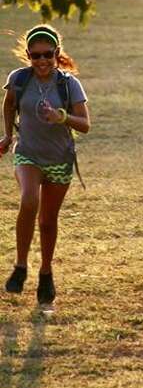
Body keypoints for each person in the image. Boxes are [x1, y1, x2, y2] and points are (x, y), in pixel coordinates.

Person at [1, 25, 91, 306]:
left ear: (57, 54)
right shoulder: (19, 79)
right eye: (36, 55)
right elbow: (8, 103)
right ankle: (21, 265)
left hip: (60, 159)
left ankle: (46, 272)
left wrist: (61, 116)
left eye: (47, 55)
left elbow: (85, 124)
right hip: (27, 153)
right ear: (28, 55)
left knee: (48, 221)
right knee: (29, 200)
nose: (41, 61)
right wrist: (7, 134)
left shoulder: (69, 84)